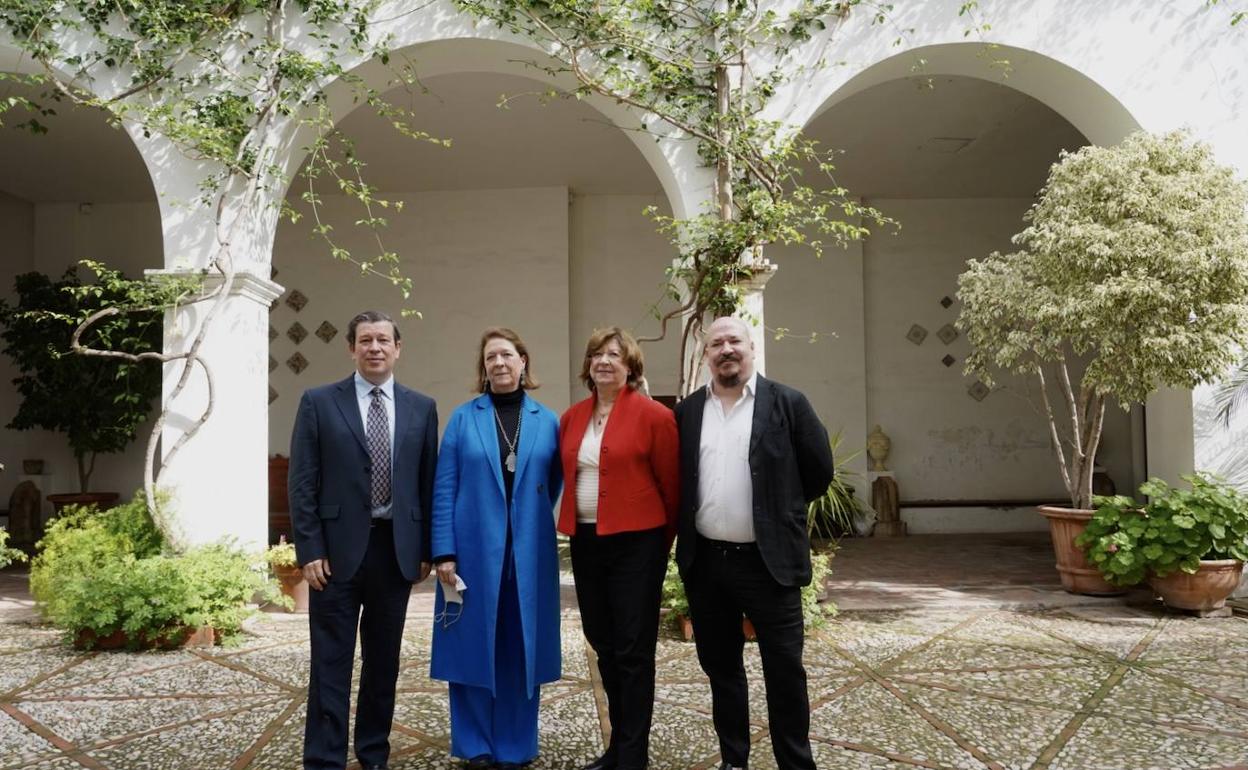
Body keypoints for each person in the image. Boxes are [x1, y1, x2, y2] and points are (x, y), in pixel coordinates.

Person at [674, 316, 834, 770]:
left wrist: (776, 508)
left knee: (784, 671)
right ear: (705, 355)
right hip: (707, 563)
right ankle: (734, 761)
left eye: (734, 341)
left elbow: (819, 472)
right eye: (716, 343)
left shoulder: (788, 403)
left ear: (752, 347)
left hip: (770, 563)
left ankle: (795, 763)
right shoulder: (687, 412)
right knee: (722, 671)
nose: (726, 349)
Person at [288, 310, 438, 770]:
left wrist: (429, 549)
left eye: (383, 341)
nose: (375, 348)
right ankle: (325, 758)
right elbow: (302, 481)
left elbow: (429, 482)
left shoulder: (422, 407)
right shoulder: (318, 401)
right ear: (351, 348)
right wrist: (310, 548)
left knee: (382, 664)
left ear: (398, 349)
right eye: (366, 340)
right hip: (334, 554)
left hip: (396, 551)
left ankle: (373, 752)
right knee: (330, 662)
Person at [430, 327, 563, 770]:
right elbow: (444, 487)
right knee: (469, 647)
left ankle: (515, 745)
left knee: (520, 650)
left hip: (528, 554)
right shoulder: (464, 418)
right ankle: (474, 745)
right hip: (470, 554)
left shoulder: (548, 420)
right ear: (483, 368)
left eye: (507, 355)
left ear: (524, 362)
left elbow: (554, 481)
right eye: (491, 358)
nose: (499, 363)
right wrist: (443, 551)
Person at [558, 327, 679, 770]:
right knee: (603, 642)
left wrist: (659, 547)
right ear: (588, 366)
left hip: (637, 546)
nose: (604, 361)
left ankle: (633, 753)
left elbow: (672, 487)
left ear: (630, 366)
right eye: (596, 355)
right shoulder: (572, 417)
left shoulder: (655, 417)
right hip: (586, 542)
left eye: (614, 354)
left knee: (632, 648)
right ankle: (617, 747)